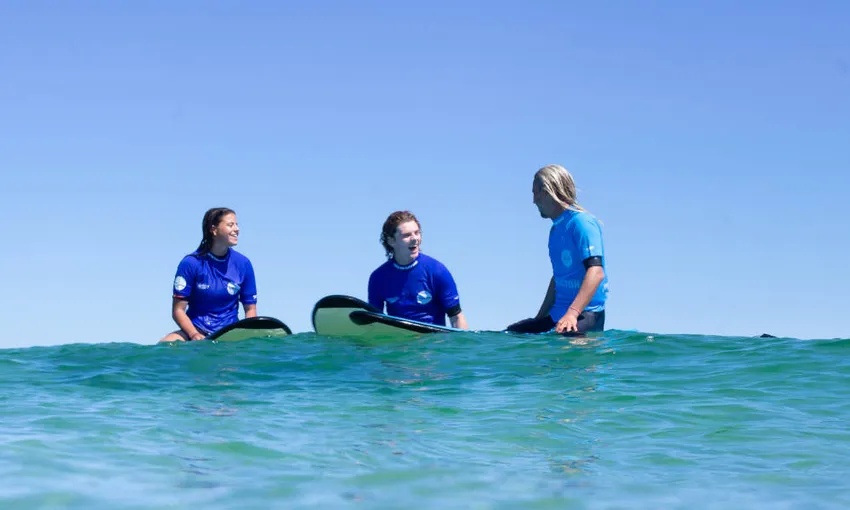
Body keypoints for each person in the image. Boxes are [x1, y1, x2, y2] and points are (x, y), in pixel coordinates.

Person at [506, 165, 608, 335]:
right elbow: (559, 278)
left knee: (563, 344)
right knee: (514, 333)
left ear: (547, 191)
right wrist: (539, 318)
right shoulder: (555, 230)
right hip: (557, 315)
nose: (533, 200)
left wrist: (572, 314)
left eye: (535, 193)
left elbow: (596, 272)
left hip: (586, 314)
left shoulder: (581, 223)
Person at [159, 207, 258, 342]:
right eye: (230, 225)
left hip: (229, 333)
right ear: (214, 229)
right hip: (196, 329)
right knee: (166, 343)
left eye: (237, 224)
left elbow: (250, 309)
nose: (237, 229)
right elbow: (178, 311)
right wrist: (194, 335)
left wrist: (248, 337)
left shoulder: (243, 264)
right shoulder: (191, 263)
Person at [368, 211, 469, 329]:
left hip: (432, 343)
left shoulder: (437, 271)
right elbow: (373, 323)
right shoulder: (378, 278)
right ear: (391, 241)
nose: (415, 239)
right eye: (406, 235)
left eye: (417, 233)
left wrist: (460, 347)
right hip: (399, 345)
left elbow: (456, 316)